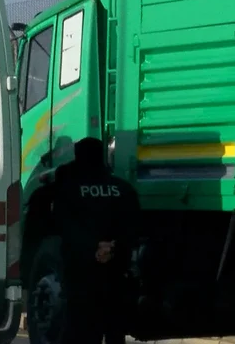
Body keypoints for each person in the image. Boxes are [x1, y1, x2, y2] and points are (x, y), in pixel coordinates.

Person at [53, 137, 141, 344]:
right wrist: (113, 248)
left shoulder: (70, 189)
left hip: (81, 271)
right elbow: (134, 226)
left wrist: (93, 247)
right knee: (114, 327)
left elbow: (63, 225)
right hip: (116, 271)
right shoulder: (123, 188)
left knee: (81, 326)